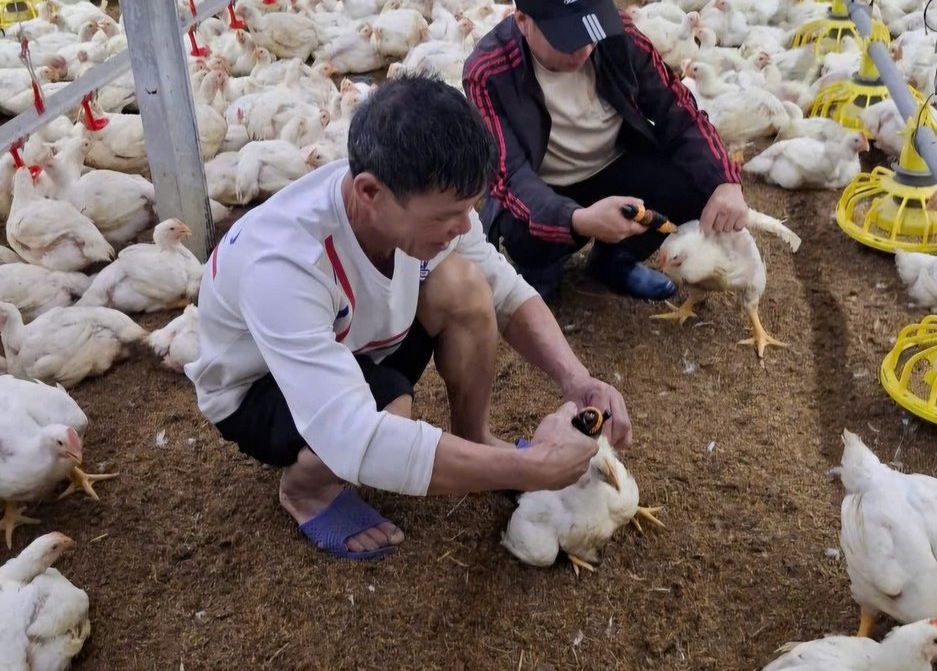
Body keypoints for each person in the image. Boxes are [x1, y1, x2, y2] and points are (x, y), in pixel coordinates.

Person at [185, 75, 631, 560]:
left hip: (358, 341)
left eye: (471, 209)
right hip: (259, 388)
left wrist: (576, 379)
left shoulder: (414, 193)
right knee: (387, 410)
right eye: (448, 215)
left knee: (465, 285)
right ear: (370, 192)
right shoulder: (283, 264)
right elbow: (356, 434)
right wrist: (532, 471)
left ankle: (475, 439)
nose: (464, 226)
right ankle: (305, 491)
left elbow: (503, 290)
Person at [463, 0, 749, 301]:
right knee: (526, 233)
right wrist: (577, 219)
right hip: (546, 183)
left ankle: (615, 260)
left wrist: (725, 180)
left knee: (696, 179)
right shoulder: (488, 72)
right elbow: (510, 177)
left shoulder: (619, 38)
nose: (583, 47)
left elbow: (677, 108)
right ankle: (541, 271)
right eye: (566, 37)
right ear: (522, 21)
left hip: (614, 164)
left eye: (590, 29)